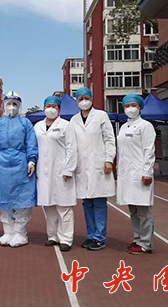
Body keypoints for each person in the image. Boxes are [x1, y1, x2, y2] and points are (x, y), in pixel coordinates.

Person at [0, 91, 38, 248]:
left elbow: (31, 142)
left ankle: (20, 233)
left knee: (22, 199)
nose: (11, 107)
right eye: (9, 104)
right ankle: (8, 232)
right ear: (4, 105)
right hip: (2, 164)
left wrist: (32, 160)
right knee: (5, 200)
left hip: (21, 163)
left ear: (19, 106)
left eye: (15, 104)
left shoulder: (25, 123)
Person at [69, 87, 116, 251]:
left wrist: (109, 160)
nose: (84, 101)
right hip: (82, 166)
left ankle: (99, 237)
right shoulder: (74, 120)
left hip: (99, 164)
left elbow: (109, 139)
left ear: (91, 98)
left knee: (99, 201)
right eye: (80, 99)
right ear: (77, 101)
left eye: (86, 98)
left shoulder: (101, 116)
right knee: (87, 203)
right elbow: (71, 145)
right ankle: (91, 235)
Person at [34, 95, 77, 252]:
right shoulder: (37, 126)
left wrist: (69, 169)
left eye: (54, 106)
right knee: (49, 206)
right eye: (48, 106)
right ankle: (52, 236)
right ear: (44, 108)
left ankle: (66, 238)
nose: (51, 109)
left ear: (59, 109)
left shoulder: (66, 125)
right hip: (43, 172)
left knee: (64, 207)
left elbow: (72, 148)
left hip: (61, 171)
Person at [116, 94, 156, 255]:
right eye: (127, 106)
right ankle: (137, 238)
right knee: (133, 209)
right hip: (127, 174)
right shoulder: (124, 127)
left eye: (134, 105)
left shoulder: (145, 126)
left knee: (144, 211)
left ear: (140, 107)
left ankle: (146, 243)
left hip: (140, 174)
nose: (130, 108)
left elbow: (149, 151)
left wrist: (147, 172)